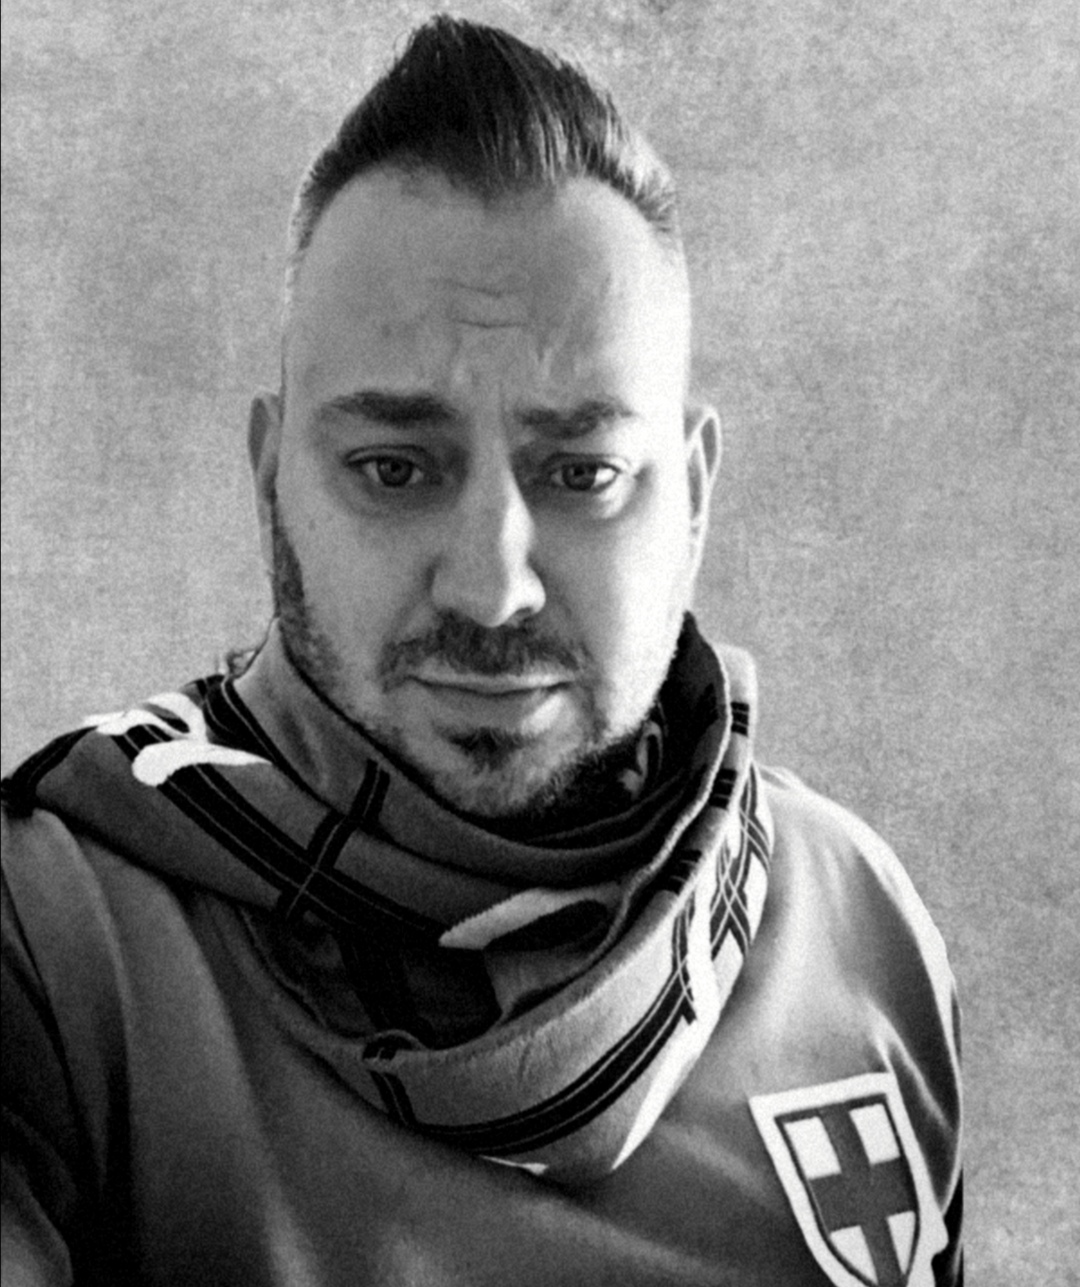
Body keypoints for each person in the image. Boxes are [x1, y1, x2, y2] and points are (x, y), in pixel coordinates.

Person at [1, 16, 962, 1286]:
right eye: (395, 469)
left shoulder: (861, 922)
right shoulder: (52, 944)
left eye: (584, 473)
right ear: (272, 481)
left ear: (693, 496)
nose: (493, 588)